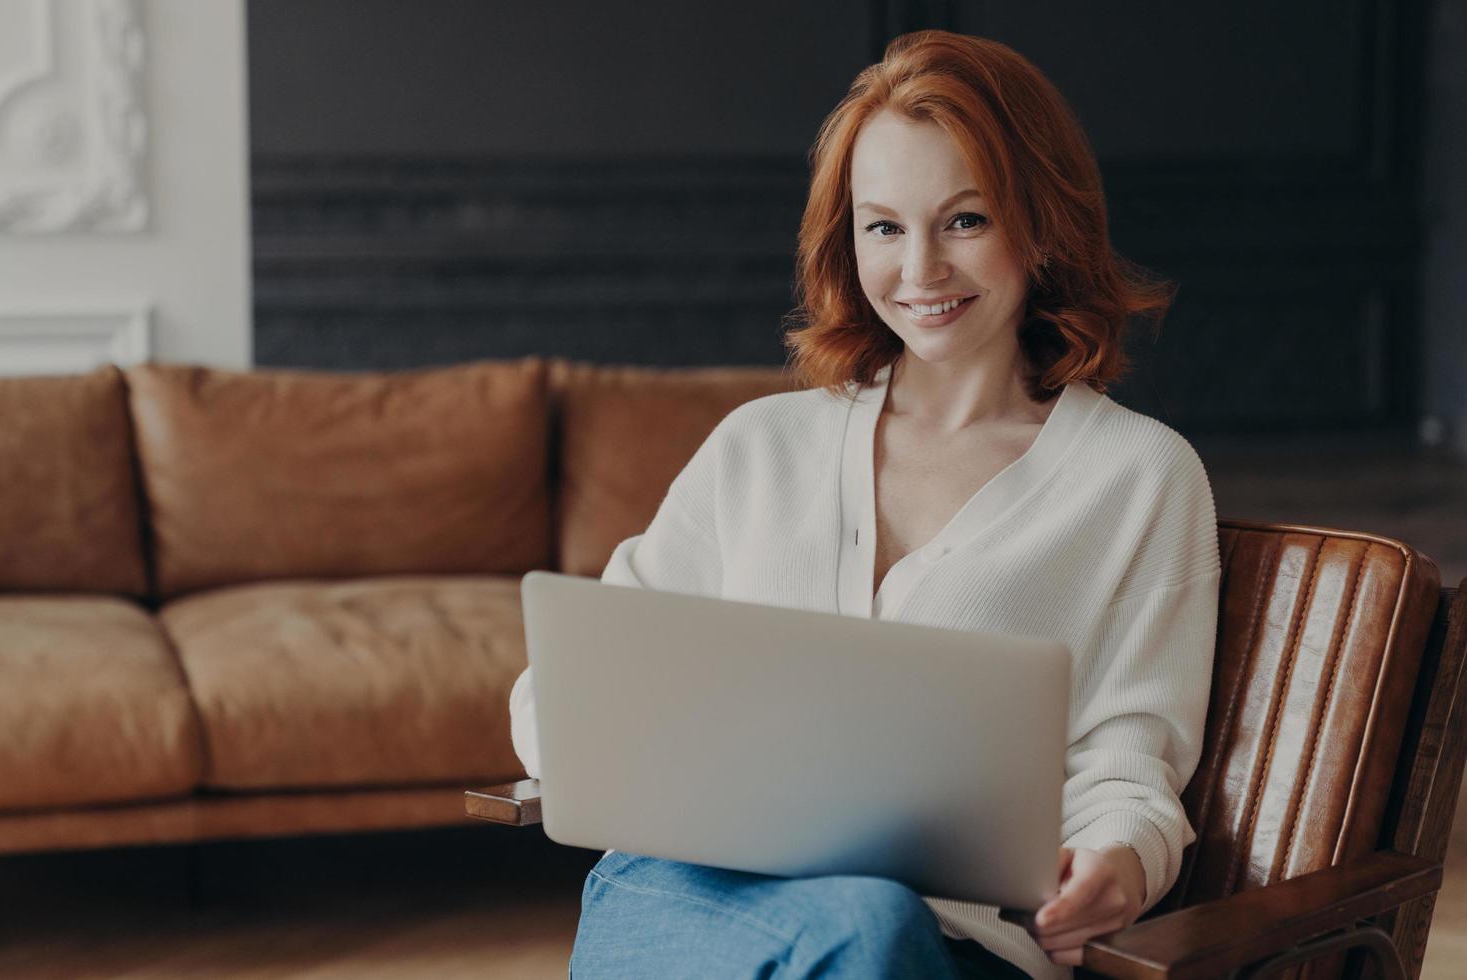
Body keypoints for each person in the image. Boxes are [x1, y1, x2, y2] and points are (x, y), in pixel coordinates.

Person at [509, 29, 1220, 979]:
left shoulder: (1138, 477)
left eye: (964, 220)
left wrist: (1120, 864)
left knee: (872, 928)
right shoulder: (761, 446)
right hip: (686, 900)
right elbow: (575, 685)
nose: (919, 270)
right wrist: (578, 740)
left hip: (946, 945)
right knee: (861, 926)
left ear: (1041, 223)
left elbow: (1132, 761)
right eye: (883, 226)